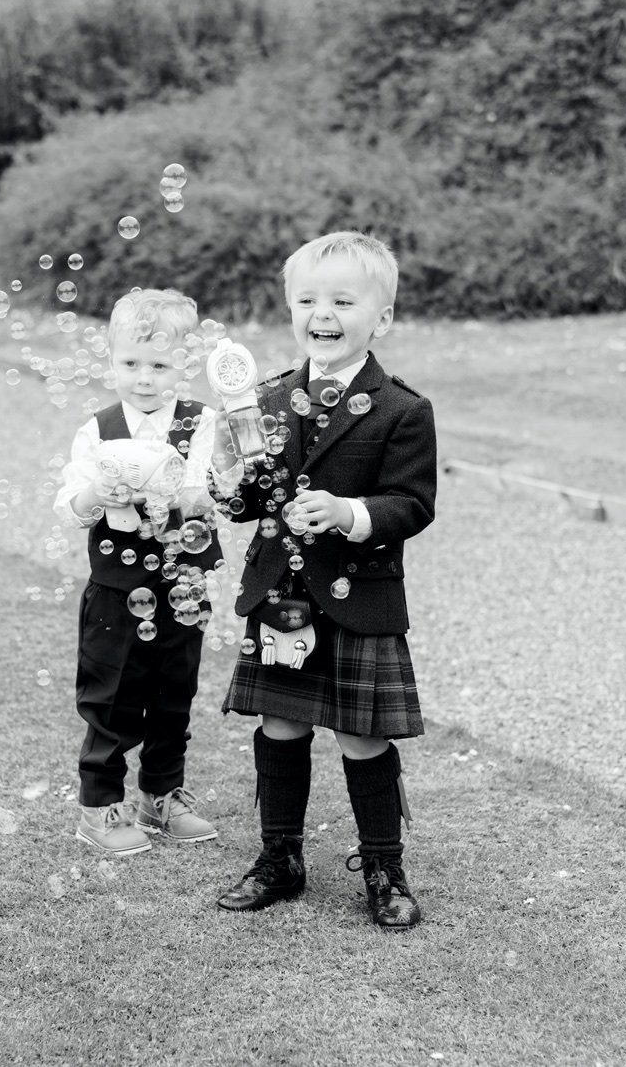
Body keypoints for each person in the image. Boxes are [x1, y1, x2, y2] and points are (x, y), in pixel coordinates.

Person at [208, 231, 436, 930]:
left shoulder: (402, 408)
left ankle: (382, 868)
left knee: (364, 735)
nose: (322, 311)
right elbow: (248, 501)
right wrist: (225, 478)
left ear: (382, 317)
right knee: (281, 724)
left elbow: (413, 504)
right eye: (307, 299)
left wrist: (347, 512)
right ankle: (280, 857)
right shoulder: (266, 400)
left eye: (342, 299)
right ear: (291, 309)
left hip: (359, 598)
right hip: (282, 595)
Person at [54, 287, 223, 856]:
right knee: (111, 694)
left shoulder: (203, 424)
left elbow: (210, 491)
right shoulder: (96, 430)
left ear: (184, 365)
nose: (144, 377)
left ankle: (162, 793)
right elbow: (71, 504)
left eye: (159, 364)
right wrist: (98, 494)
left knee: (175, 689)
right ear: (111, 361)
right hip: (117, 587)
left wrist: (174, 491)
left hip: (183, 580)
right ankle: (100, 806)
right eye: (130, 364)